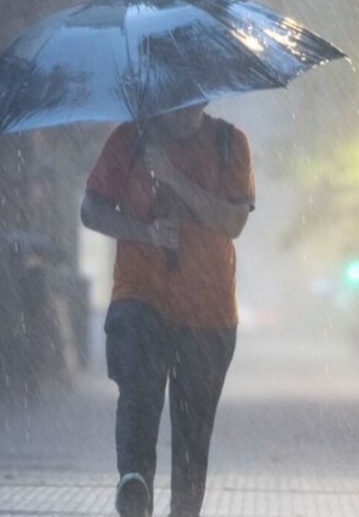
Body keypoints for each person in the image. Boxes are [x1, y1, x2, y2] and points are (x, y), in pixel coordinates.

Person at [81, 102, 255, 517]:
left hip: (208, 311)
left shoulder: (229, 143)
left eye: (195, 99)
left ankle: (183, 510)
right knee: (138, 395)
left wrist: (172, 177)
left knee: (193, 431)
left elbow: (232, 222)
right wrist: (144, 232)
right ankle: (134, 485)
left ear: (207, 98)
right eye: (176, 99)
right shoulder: (130, 139)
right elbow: (91, 210)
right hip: (140, 296)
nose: (186, 109)